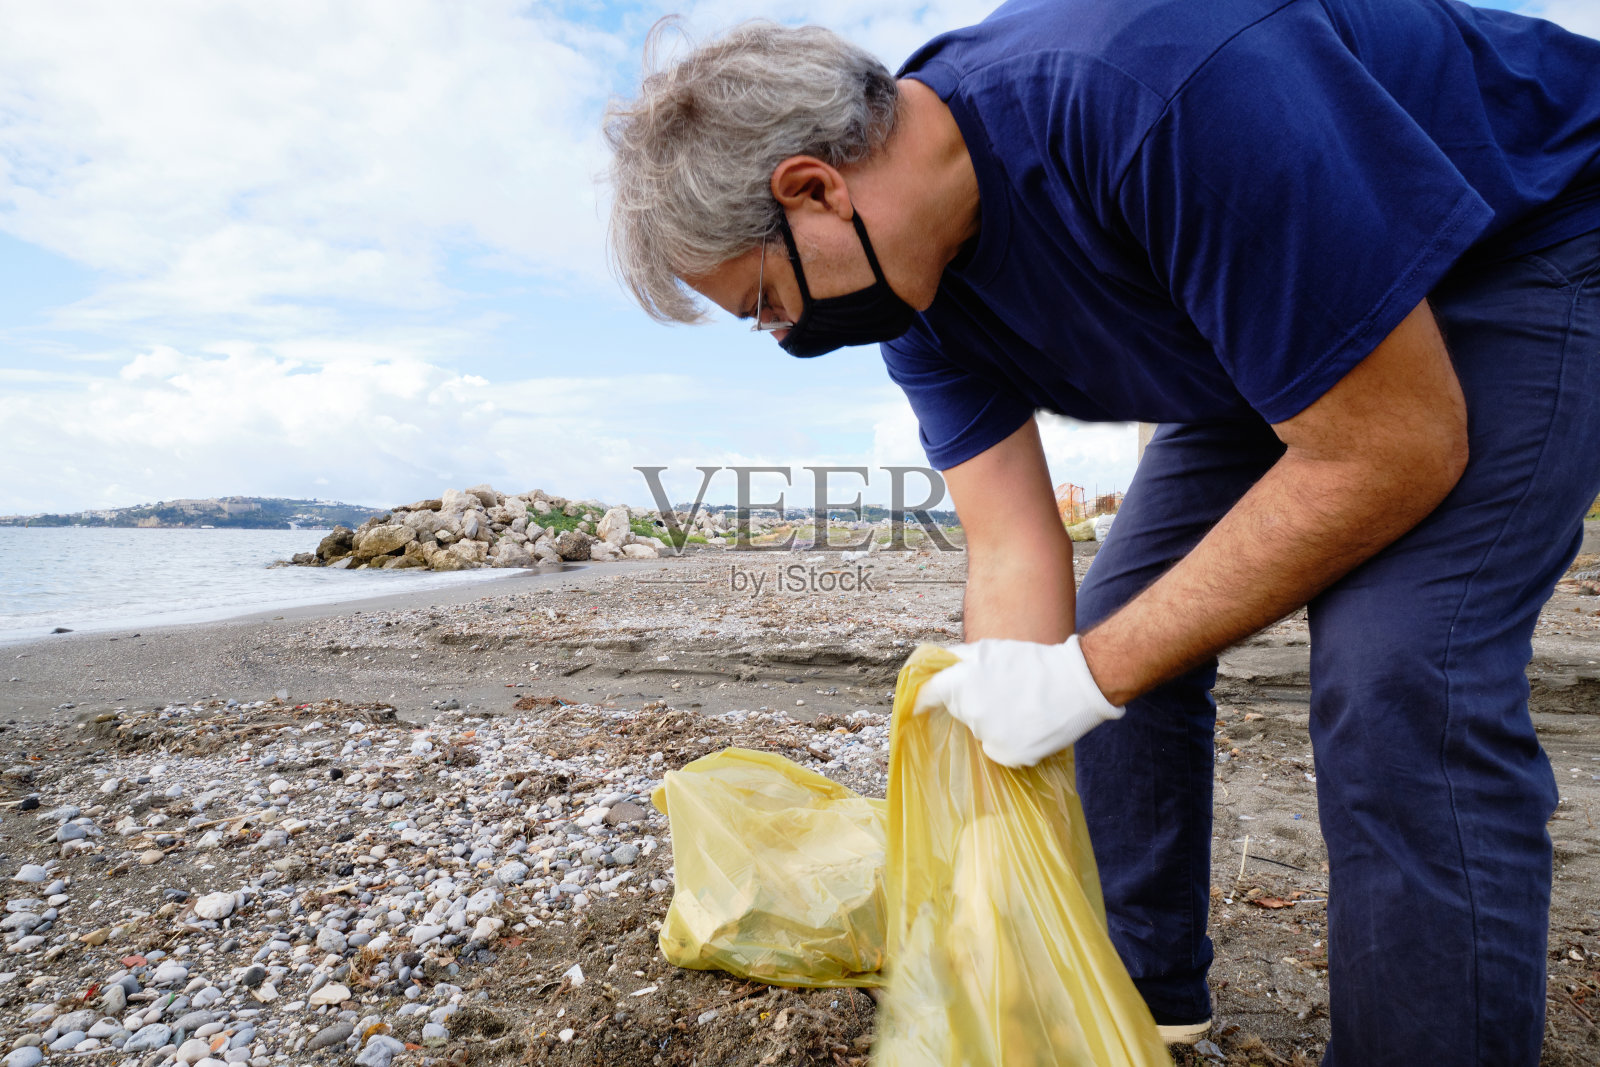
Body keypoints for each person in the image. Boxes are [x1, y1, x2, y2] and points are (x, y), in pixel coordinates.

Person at [602, 1, 1600, 1062]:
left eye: (762, 301)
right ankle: (1134, 994)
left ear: (814, 187)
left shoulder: (1150, 95)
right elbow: (1011, 544)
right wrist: (1006, 736)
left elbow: (1392, 446)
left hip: (1519, 237)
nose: (784, 334)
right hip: (1271, 337)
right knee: (1124, 621)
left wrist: (1085, 677)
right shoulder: (918, 294)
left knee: (1400, 667)